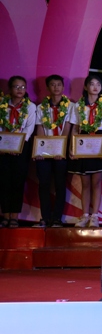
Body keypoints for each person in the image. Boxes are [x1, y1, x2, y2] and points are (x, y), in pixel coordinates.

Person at [68, 74, 102, 228]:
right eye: (92, 84)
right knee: (85, 182)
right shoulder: (78, 106)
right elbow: (75, 128)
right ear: (86, 87)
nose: (95, 87)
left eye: (98, 84)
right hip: (83, 142)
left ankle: (95, 216)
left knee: (96, 181)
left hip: (99, 142)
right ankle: (84, 215)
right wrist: (72, 147)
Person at [33, 75, 71, 228]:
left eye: (58, 84)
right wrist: (41, 150)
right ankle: (45, 217)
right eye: (53, 85)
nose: (56, 87)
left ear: (63, 87)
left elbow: (67, 128)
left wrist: (60, 148)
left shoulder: (70, 106)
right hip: (44, 152)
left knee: (60, 184)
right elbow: (40, 128)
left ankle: (57, 219)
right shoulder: (40, 108)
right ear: (48, 88)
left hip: (61, 152)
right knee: (44, 184)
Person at [0, 76, 37, 228]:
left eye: (23, 87)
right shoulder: (2, 105)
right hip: (3, 147)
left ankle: (14, 216)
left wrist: (18, 145)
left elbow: (29, 127)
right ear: (10, 89)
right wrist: (4, 144)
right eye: (16, 87)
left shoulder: (30, 107)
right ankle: (5, 215)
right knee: (4, 181)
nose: (20, 90)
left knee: (18, 181)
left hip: (22, 147)